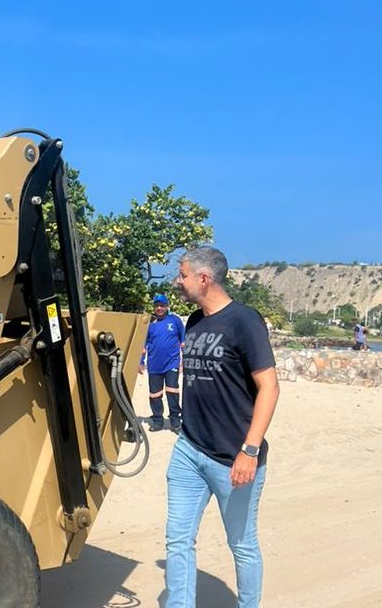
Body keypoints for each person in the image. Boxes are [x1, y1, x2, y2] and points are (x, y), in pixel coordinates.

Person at [165, 246, 280, 608]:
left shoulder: (244, 321)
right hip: (189, 449)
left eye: (182, 275)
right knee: (178, 539)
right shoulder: (193, 321)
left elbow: (269, 387)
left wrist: (250, 450)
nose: (177, 281)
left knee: (242, 544)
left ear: (204, 278)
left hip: (234, 458)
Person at [139, 293, 185, 432]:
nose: (159, 308)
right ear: (154, 307)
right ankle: (158, 421)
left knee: (172, 392)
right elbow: (143, 345)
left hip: (172, 363)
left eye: (162, 305)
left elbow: (183, 342)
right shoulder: (150, 324)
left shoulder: (175, 321)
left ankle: (175, 422)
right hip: (154, 365)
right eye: (157, 306)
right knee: (155, 394)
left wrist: (184, 361)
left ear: (167, 306)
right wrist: (141, 361)